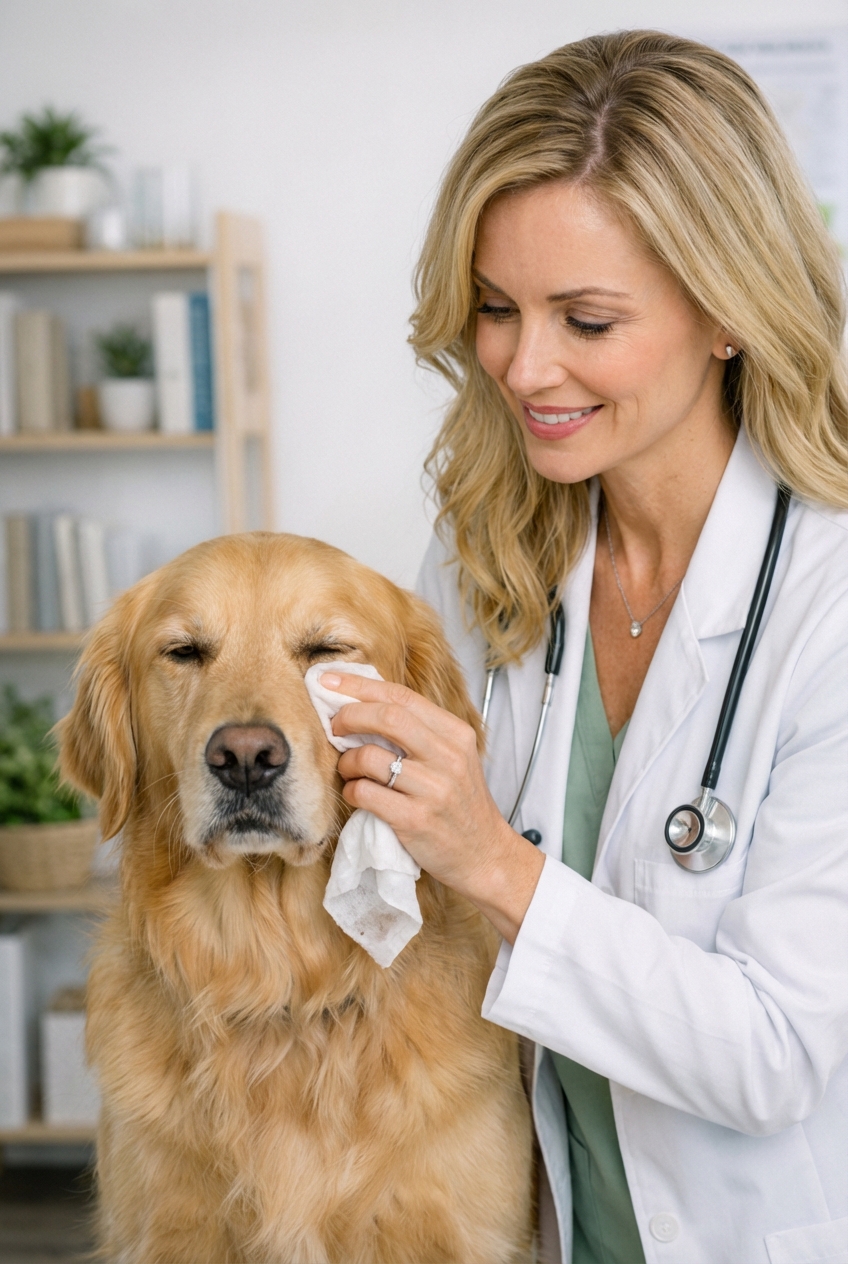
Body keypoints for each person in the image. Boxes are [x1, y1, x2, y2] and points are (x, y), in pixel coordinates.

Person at [321, 30, 848, 1264]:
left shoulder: (828, 603)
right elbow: (371, 880)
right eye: (497, 309)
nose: (523, 365)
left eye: (588, 319)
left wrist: (489, 862)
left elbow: (772, 1054)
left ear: (729, 310)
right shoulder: (490, 554)